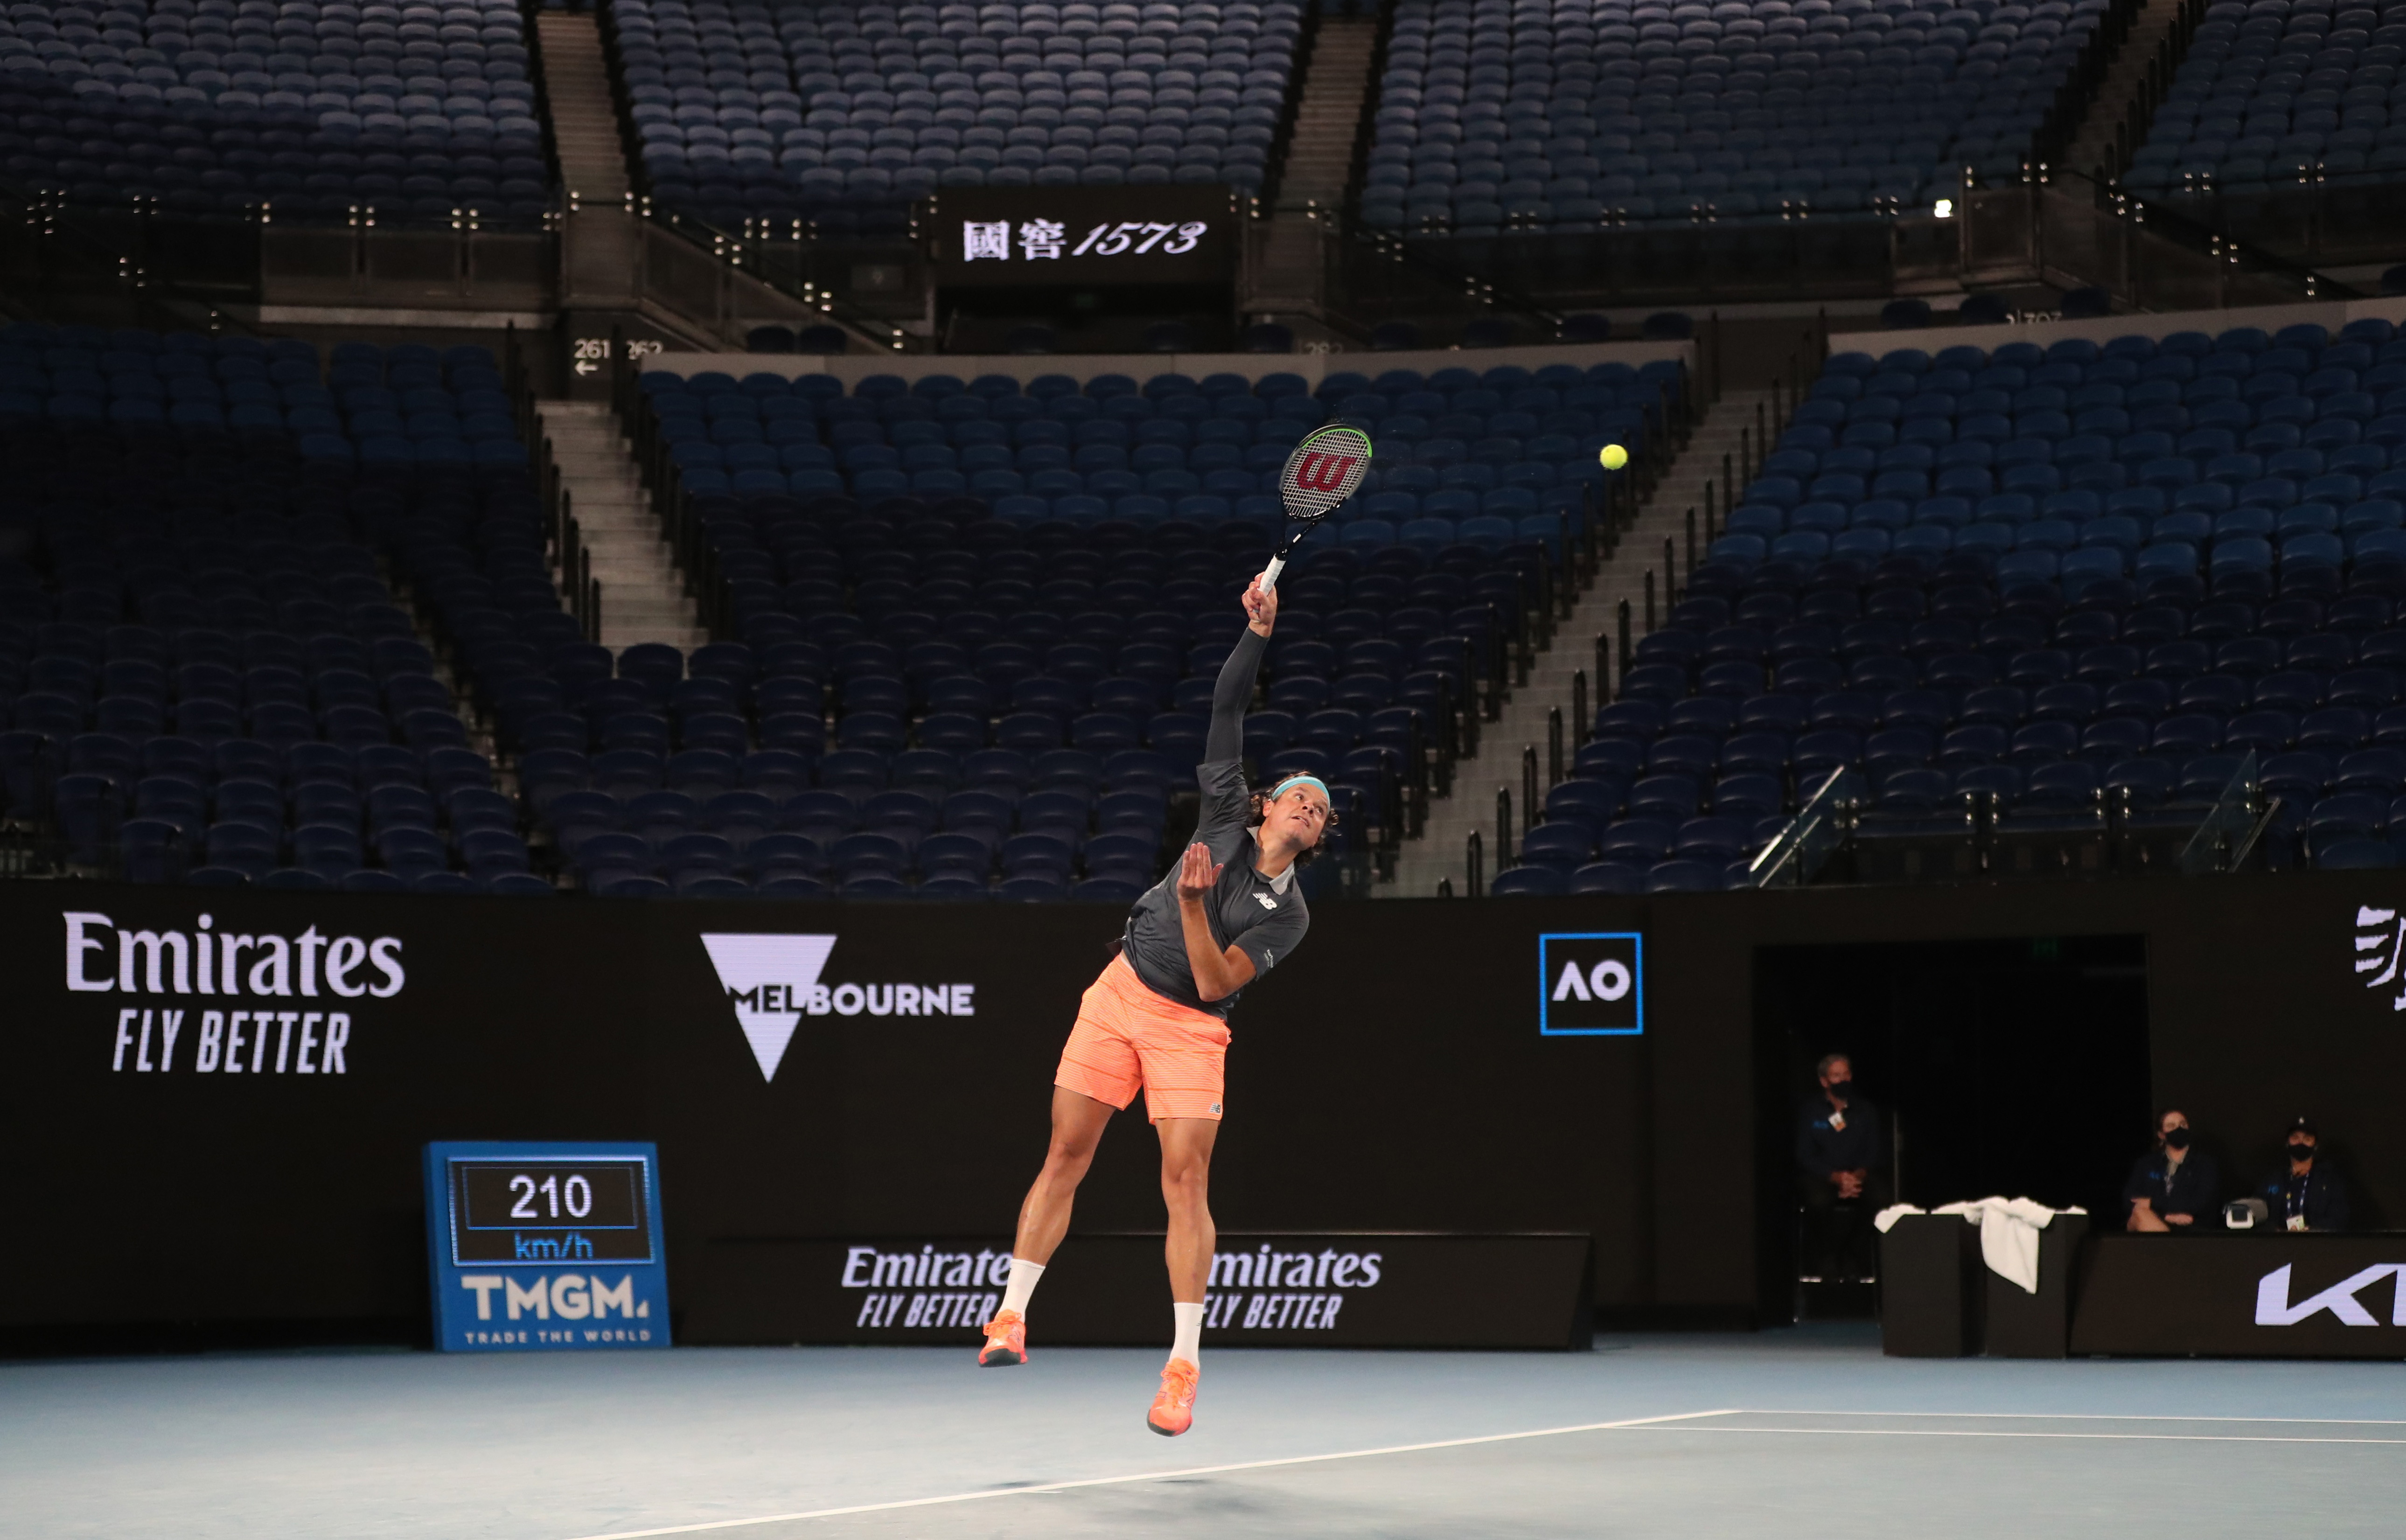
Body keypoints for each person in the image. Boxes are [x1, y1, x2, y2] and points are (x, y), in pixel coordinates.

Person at [976, 573, 1333, 1438]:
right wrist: (1258, 633)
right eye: (1299, 794)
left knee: (1184, 1182)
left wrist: (1185, 906)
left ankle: (1181, 1368)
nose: (1310, 807)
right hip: (1119, 993)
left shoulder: (1289, 914)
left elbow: (1214, 985)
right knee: (1066, 1152)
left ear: (1316, 837)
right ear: (1264, 805)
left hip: (1189, 1029)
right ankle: (1011, 1315)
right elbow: (1226, 709)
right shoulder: (1220, 812)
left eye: (1322, 810)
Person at [1795, 1053, 1889, 1282]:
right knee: (1818, 1202)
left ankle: (1851, 1253)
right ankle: (1828, 1256)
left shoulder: (1866, 1111)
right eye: (1837, 1076)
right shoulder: (1811, 1111)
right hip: (1824, 1175)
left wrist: (1854, 1178)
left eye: (1846, 1074)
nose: (1843, 1080)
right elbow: (1804, 1154)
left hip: (1858, 1175)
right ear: (1825, 1081)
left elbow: (1874, 1152)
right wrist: (1835, 1177)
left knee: (1881, 1200)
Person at [2121, 1109, 2220, 1232]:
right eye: (2171, 1126)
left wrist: (2153, 1203)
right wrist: (2167, 1216)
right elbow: (2131, 1200)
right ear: (2161, 1135)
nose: (2179, 1129)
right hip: (2153, 1221)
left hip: (2192, 1228)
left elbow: (2201, 1203)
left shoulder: (2204, 1164)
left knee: (2142, 1212)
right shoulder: (2146, 1164)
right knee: (2139, 1213)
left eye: (2183, 1125)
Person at [2260, 1116, 2350, 1232]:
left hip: (2319, 1244)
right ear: (2287, 1143)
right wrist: (2277, 1231)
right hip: (2278, 1244)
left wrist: (2313, 1230)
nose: (2301, 1143)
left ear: (2316, 1145)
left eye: (2307, 1139)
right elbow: (2258, 1215)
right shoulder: (2274, 1179)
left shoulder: (2329, 1180)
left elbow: (2340, 1217)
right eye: (2296, 1138)